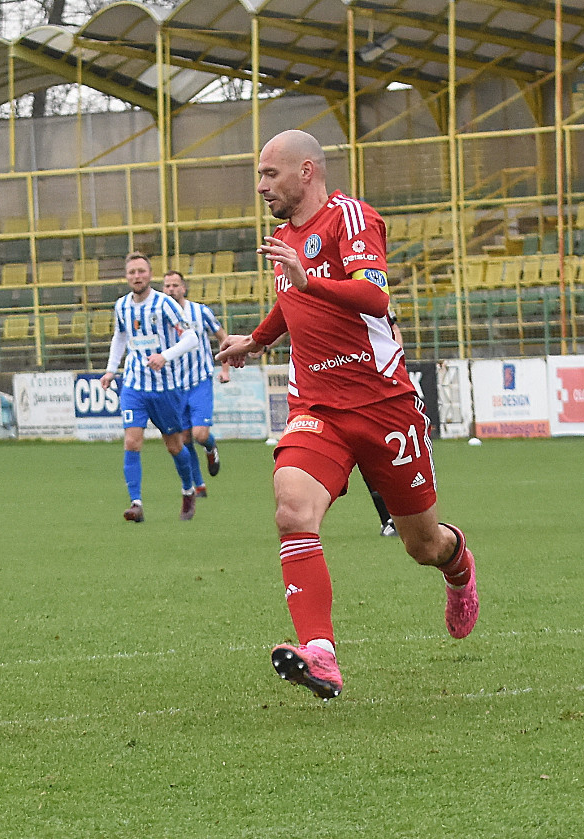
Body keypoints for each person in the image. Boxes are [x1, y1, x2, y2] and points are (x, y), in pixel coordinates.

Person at [214, 129, 479, 700]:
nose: (261, 186)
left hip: (384, 407)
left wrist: (310, 278)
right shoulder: (284, 239)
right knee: (292, 509)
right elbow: (293, 301)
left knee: (422, 545)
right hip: (318, 407)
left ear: (306, 171)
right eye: (260, 176)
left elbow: (374, 297)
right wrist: (257, 341)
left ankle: (458, 568)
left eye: (270, 174)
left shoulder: (350, 218)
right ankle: (320, 653)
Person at [101, 253, 203, 523]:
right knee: (132, 441)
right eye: (132, 272)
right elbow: (120, 336)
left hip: (166, 387)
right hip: (134, 385)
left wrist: (165, 356)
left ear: (150, 274)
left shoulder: (164, 304)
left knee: (174, 445)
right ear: (126, 276)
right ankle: (135, 503)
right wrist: (111, 369)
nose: (137, 276)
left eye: (141, 271)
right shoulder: (122, 306)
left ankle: (188, 490)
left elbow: (191, 338)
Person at [160, 269, 228, 496]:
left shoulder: (200, 311)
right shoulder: (159, 316)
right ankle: (199, 484)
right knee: (184, 438)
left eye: (175, 285)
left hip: (200, 381)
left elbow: (222, 337)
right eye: (167, 286)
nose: (171, 290)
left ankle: (210, 446)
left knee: (200, 434)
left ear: (184, 288)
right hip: (175, 385)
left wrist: (225, 369)